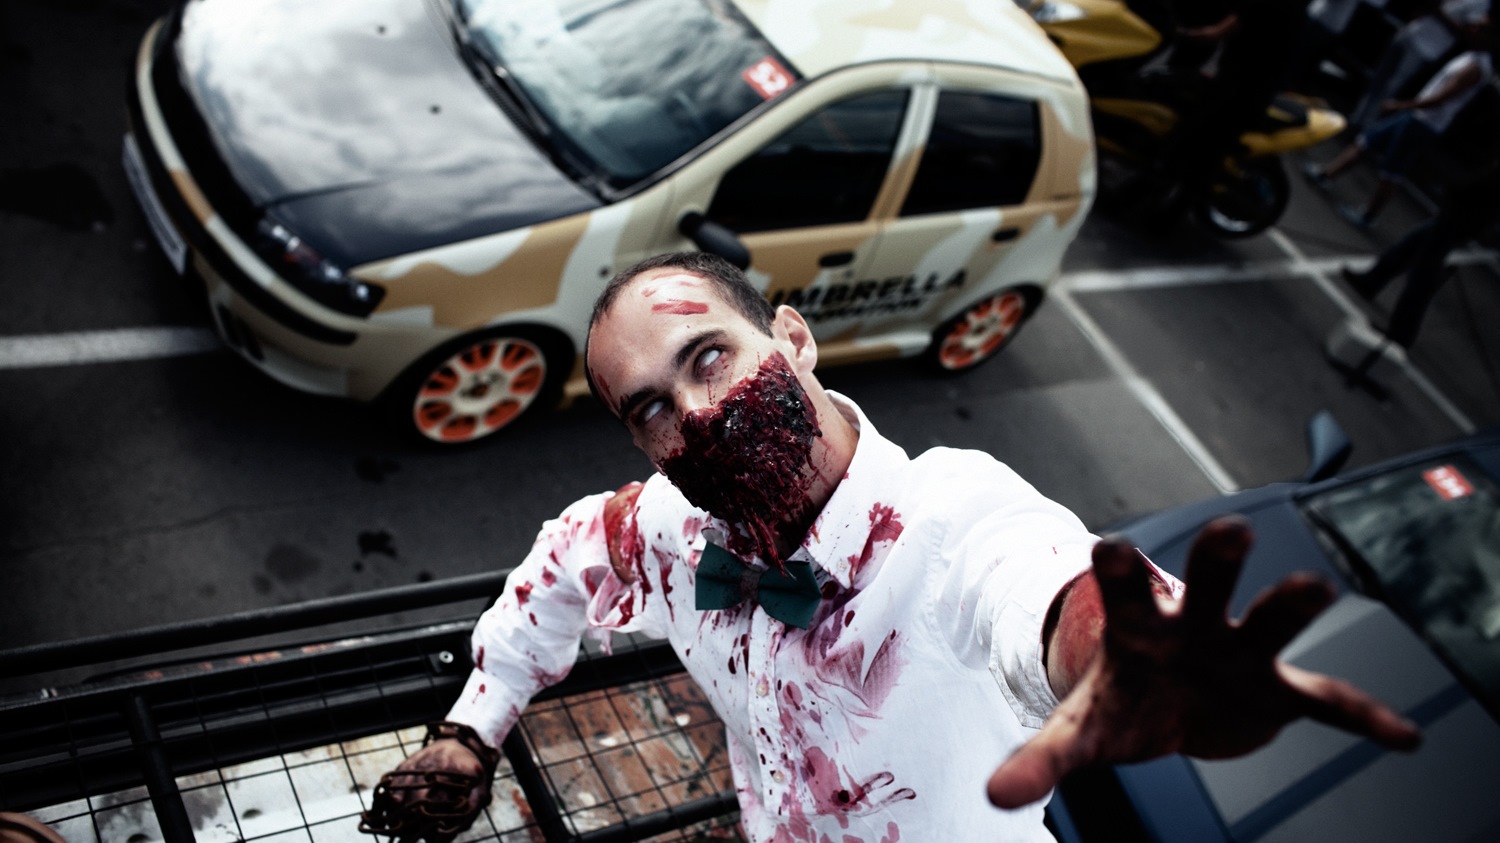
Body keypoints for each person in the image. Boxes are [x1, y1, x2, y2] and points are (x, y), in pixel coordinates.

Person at [360, 252, 1420, 842]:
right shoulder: (669, 533)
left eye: (710, 356)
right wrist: (472, 729)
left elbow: (1036, 580)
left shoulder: (951, 519)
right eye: (651, 408)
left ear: (794, 338)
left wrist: (1133, 656)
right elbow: (559, 564)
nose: (699, 414)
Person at [1306, 20, 1494, 227]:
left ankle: (1368, 216)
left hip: (1424, 123)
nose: (1472, 28)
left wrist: (1400, 105)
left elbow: (1440, 99)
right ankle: (1326, 175)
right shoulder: (1471, 57)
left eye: (1480, 28)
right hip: (1416, 116)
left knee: (1391, 172)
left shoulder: (1476, 68)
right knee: (1366, 142)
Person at [1340, 159, 1500, 347]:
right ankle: (1371, 281)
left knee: (1423, 272)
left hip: (1466, 214)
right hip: (1467, 213)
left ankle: (1402, 330)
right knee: (1412, 245)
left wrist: (1458, 187)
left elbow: (1487, 184)